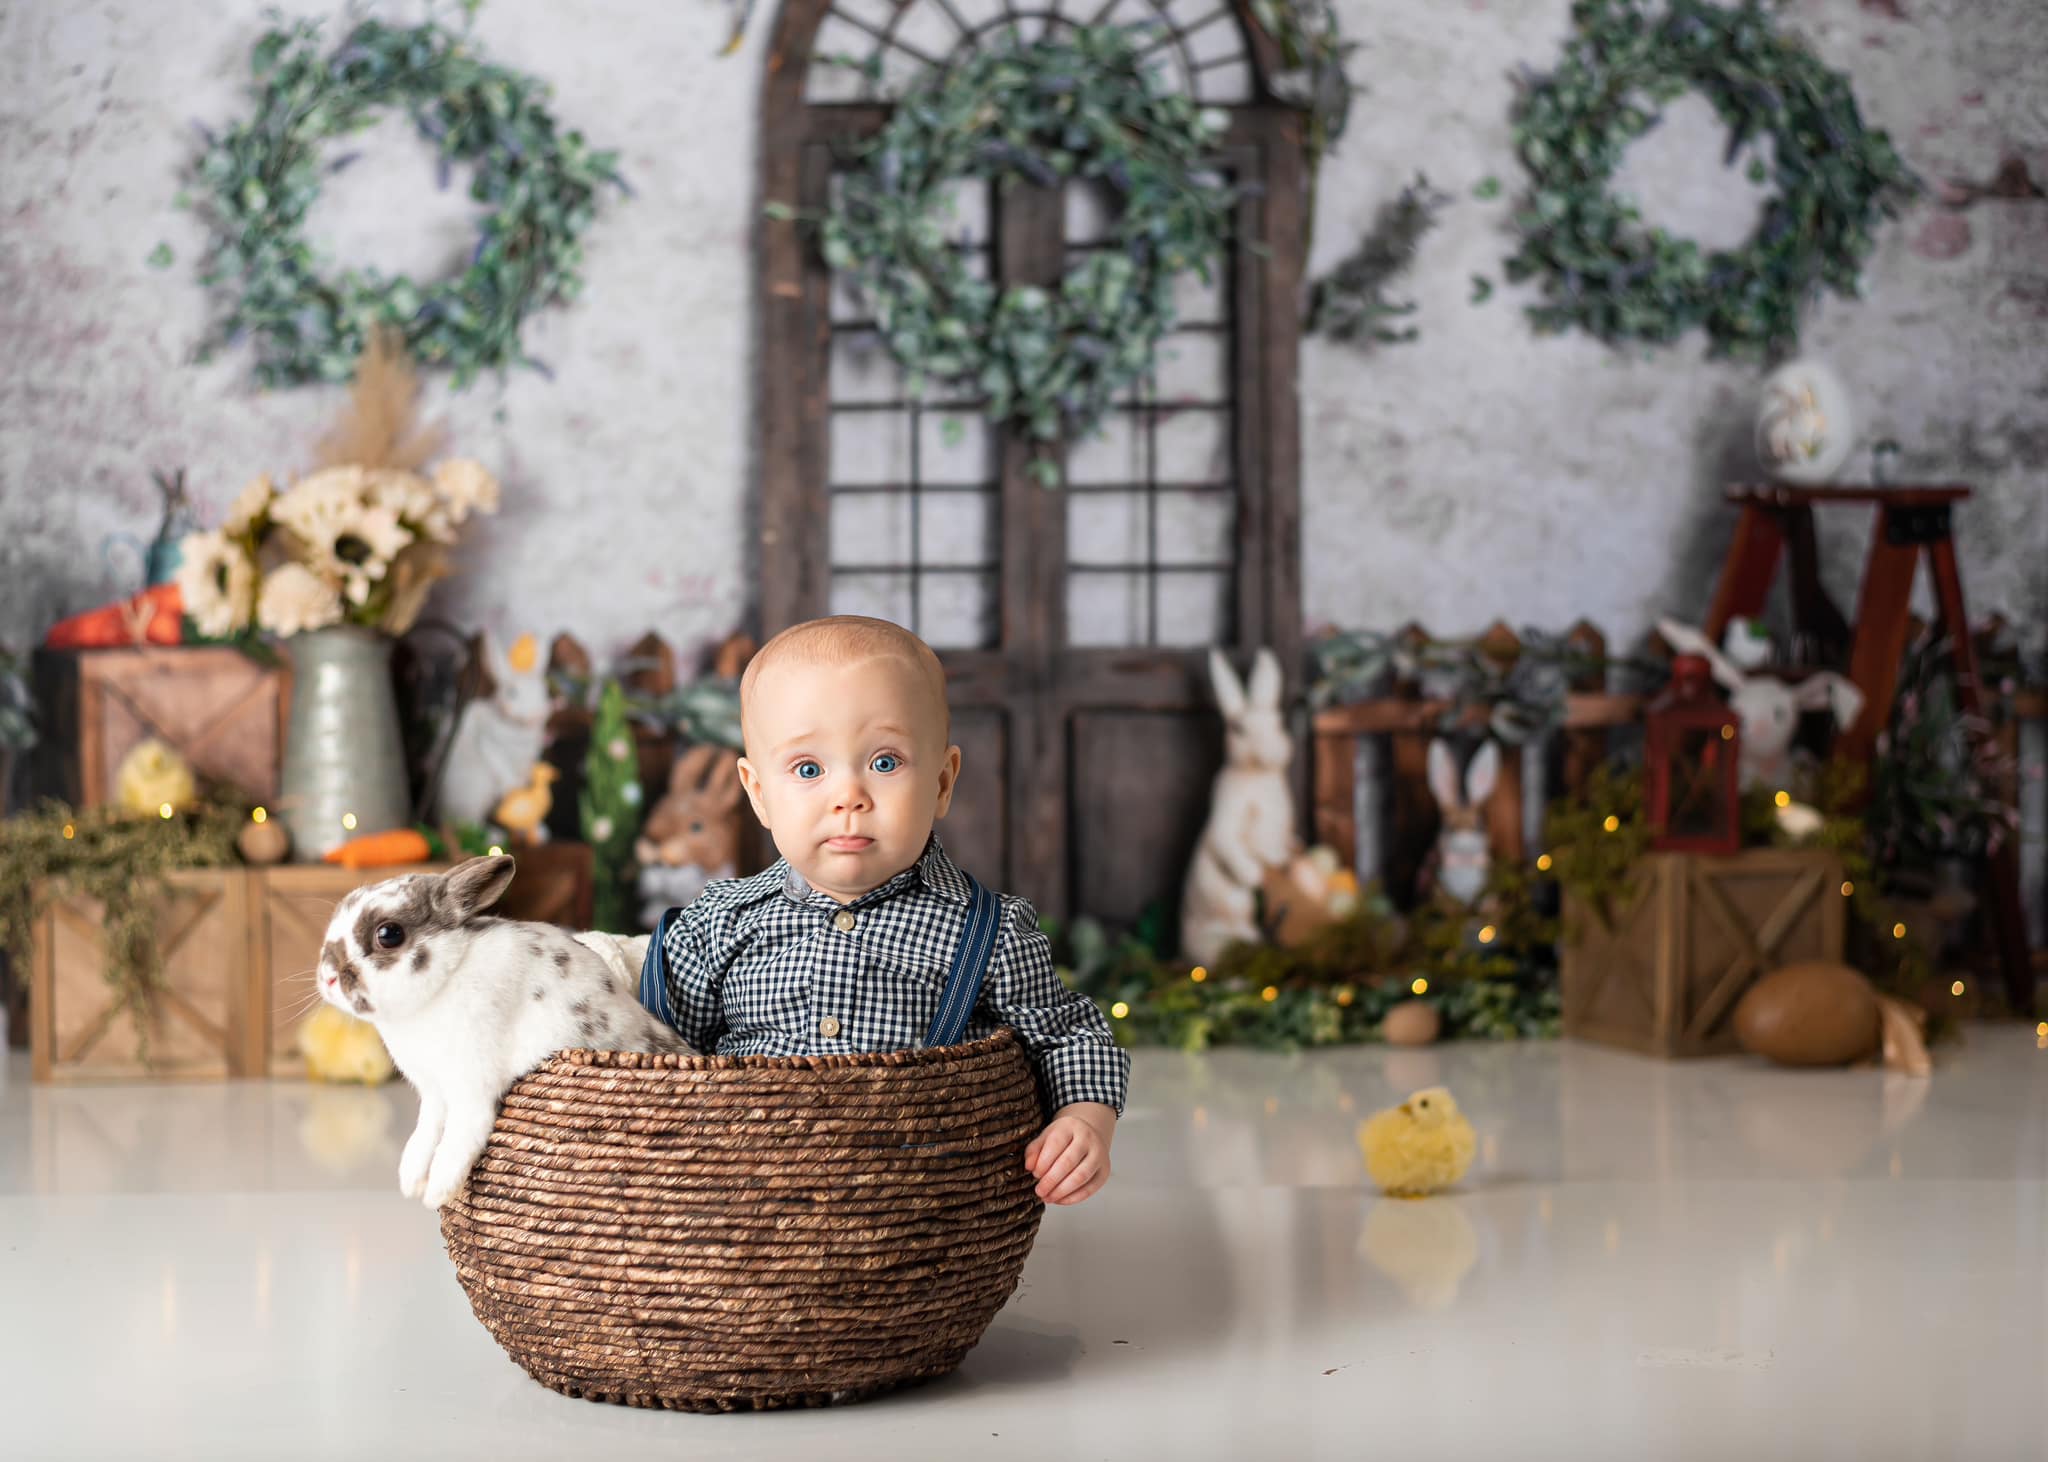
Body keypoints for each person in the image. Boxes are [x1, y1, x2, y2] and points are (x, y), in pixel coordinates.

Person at [639, 615, 1128, 1206]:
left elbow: (1067, 1034)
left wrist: (1085, 1120)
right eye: (809, 769)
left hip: (916, 1206)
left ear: (944, 782)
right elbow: (656, 1063)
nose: (849, 796)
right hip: (747, 1207)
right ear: (759, 794)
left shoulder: (988, 932)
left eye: (886, 762)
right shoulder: (718, 924)